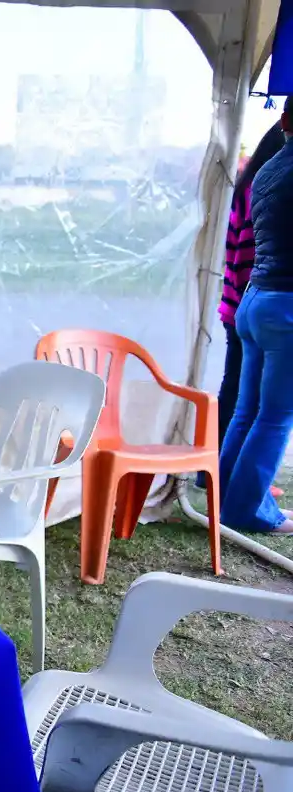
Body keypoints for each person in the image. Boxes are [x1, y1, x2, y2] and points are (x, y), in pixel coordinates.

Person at [219, 99, 293, 533]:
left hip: (255, 301)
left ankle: (228, 502)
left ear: (284, 121)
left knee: (247, 411)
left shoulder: (265, 171)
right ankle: (248, 512)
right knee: (275, 416)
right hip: (285, 306)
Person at [204, 120, 285, 497]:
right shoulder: (274, 186)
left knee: (240, 400)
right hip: (260, 299)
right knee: (266, 411)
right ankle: (241, 492)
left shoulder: (256, 180)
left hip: (241, 302)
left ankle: (225, 478)